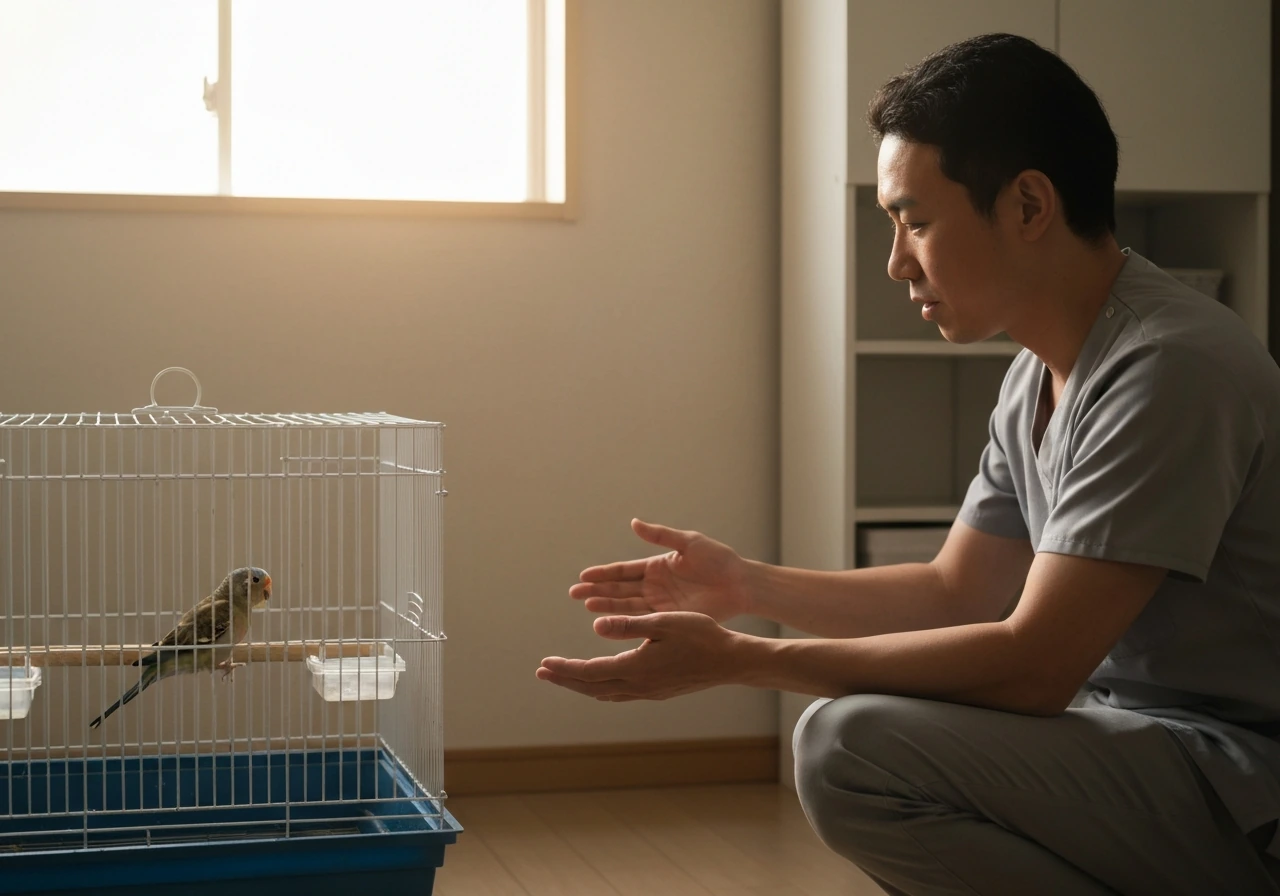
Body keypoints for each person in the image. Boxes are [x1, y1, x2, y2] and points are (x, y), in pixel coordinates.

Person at [535, 32, 1280, 895]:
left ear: (1029, 205)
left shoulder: (1167, 367)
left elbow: (1034, 667)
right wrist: (749, 586)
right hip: (1154, 748)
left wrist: (745, 659)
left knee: (846, 744)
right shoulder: (1034, 374)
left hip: (1248, 781)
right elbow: (955, 591)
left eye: (916, 222)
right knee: (855, 732)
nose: (897, 263)